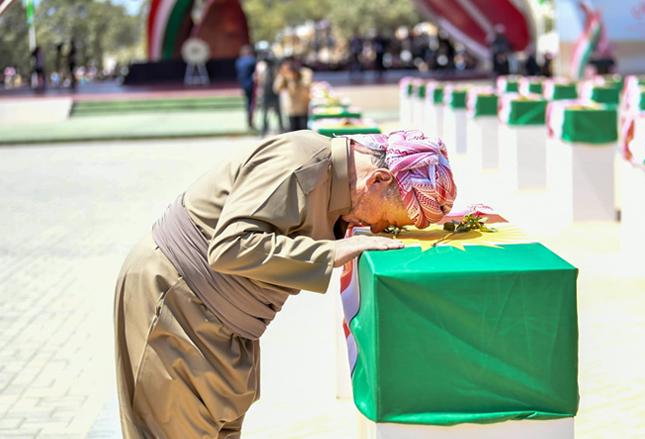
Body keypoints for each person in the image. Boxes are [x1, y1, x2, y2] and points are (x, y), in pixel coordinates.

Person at [114, 129, 457, 438]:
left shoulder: (341, 186)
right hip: (176, 299)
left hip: (223, 323)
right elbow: (230, 247)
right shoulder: (299, 162)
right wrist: (330, 252)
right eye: (386, 219)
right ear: (378, 180)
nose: (377, 229)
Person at [274, 59, 311, 131]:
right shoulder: (285, 76)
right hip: (291, 110)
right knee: (292, 131)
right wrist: (283, 75)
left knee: (303, 131)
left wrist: (296, 78)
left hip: (302, 108)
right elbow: (277, 89)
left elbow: (306, 86)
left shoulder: (304, 74)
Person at [255, 55, 284, 135]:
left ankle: (281, 129)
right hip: (266, 94)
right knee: (265, 113)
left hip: (274, 93)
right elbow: (260, 81)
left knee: (278, 113)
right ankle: (264, 129)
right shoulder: (263, 69)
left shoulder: (276, 69)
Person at [235, 45, 257, 129]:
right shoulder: (253, 60)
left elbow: (239, 75)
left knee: (248, 102)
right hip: (251, 85)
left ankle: (249, 121)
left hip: (244, 85)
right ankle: (250, 120)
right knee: (252, 103)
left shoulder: (239, 61)